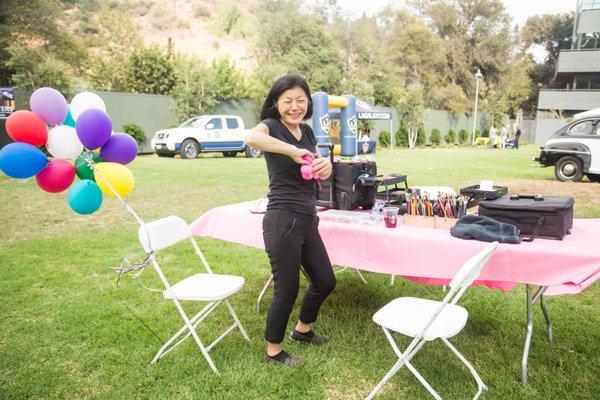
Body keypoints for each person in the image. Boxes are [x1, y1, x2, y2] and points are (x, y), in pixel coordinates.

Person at [244, 74, 335, 366]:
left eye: (300, 100)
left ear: (307, 102)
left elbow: (321, 167)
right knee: (287, 288)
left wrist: (326, 166)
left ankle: (302, 330)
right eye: (287, 101)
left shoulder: (307, 131)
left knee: (325, 280)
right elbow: (251, 138)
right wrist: (292, 151)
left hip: (307, 218)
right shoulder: (270, 127)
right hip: (282, 218)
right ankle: (274, 350)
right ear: (276, 103)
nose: (294, 106)